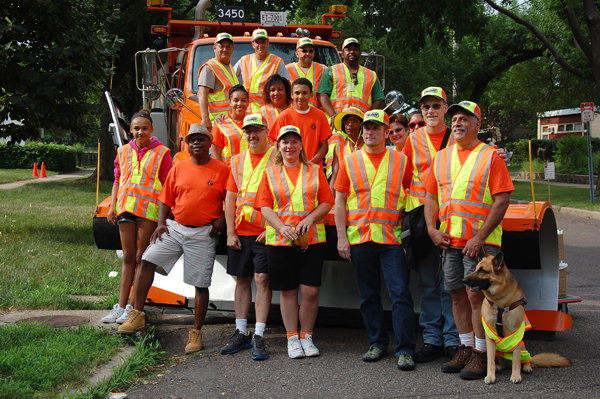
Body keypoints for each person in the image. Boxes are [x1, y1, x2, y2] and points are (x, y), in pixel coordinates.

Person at [118, 124, 229, 356]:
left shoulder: (222, 169)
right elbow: (166, 198)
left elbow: (231, 198)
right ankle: (136, 315)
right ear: (187, 145)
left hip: (203, 232)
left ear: (210, 143)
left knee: (201, 283)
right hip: (175, 227)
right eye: (191, 140)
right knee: (147, 260)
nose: (196, 143)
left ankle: (196, 332)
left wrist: (222, 219)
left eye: (201, 139)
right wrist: (160, 223)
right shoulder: (179, 168)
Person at [424, 101, 514, 379]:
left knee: (478, 299)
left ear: (477, 124)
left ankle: (481, 354)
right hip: (450, 241)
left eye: (465, 118)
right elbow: (430, 196)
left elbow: (502, 199)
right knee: (456, 296)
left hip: (481, 246)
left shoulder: (490, 157)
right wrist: (431, 229)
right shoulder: (441, 157)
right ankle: (465, 348)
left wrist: (480, 237)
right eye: (455, 119)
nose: (458, 123)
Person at [334, 110, 416, 371]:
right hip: (360, 238)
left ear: (385, 132)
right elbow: (340, 202)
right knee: (368, 296)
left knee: (400, 294)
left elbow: (409, 196)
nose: (369, 132)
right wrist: (341, 238)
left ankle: (405, 350)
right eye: (366, 128)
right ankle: (377, 343)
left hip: (391, 239)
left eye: (375, 128)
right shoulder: (350, 161)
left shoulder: (401, 160)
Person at [255, 125, 334, 359]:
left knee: (310, 290)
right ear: (278, 146)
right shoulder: (270, 172)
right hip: (280, 240)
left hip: (312, 238)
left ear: (301, 145)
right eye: (284, 142)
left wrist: (310, 218)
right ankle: (292, 337)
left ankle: (306, 336)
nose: (289, 146)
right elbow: (264, 205)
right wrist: (280, 227)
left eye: (294, 142)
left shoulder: (315, 170)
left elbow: (327, 202)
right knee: (288, 291)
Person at [402, 87, 460, 364]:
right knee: (428, 283)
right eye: (425, 107)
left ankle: (452, 339)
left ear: (445, 108)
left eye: (436, 106)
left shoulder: (458, 137)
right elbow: (406, 177)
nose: (430, 111)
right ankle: (432, 338)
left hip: (451, 215)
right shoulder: (412, 140)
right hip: (421, 219)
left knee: (451, 282)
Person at [102, 110, 172, 325]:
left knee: (142, 257)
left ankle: (132, 307)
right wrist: (112, 206)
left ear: (151, 130)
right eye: (136, 128)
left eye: (144, 128)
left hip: (149, 211)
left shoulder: (162, 152)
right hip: (125, 209)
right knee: (128, 257)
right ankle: (120, 306)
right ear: (130, 130)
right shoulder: (123, 151)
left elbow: (168, 184)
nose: (140, 132)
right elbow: (117, 180)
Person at [221, 114, 275, 360]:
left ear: (266, 131)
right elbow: (230, 198)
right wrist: (230, 231)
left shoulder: (277, 156)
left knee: (262, 279)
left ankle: (259, 335)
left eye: (256, 130)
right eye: (248, 132)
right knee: (241, 280)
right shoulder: (238, 160)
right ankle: (241, 332)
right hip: (241, 232)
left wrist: (272, 227)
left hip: (265, 232)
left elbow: (285, 192)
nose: (252, 136)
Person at [318, 37, 385, 121]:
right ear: (342, 53)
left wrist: (368, 119)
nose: (352, 52)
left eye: (355, 49)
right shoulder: (331, 71)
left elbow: (378, 99)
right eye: (348, 49)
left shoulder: (371, 75)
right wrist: (333, 116)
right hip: (336, 124)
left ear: (360, 53)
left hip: (361, 124)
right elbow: (322, 95)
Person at [269, 78, 332, 164]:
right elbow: (277, 144)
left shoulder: (320, 115)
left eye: (305, 93)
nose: (301, 97)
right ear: (291, 95)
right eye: (297, 93)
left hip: (313, 169)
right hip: (290, 169)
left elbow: (324, 147)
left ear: (311, 94)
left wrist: (309, 164)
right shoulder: (284, 116)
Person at [235, 29, 289, 113]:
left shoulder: (277, 62)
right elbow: (230, 78)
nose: (260, 45)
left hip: (268, 110)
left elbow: (286, 88)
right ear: (253, 44)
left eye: (263, 42)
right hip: (246, 110)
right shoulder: (244, 60)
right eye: (257, 42)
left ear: (268, 43)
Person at [198, 33, 239, 131]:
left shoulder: (229, 68)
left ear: (232, 49)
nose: (225, 49)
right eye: (221, 46)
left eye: (228, 47)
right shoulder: (209, 68)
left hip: (230, 123)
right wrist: (205, 119)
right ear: (214, 48)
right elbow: (201, 94)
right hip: (217, 124)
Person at [211, 85, 249, 166]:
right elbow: (215, 156)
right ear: (230, 103)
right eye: (236, 100)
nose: (240, 104)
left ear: (248, 103)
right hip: (229, 173)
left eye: (243, 100)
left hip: (251, 174)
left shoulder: (253, 122)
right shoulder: (220, 125)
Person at [328, 107, 365, 192]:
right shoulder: (339, 147)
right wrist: (331, 202)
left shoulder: (369, 145)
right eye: (347, 121)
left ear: (361, 125)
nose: (350, 125)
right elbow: (335, 175)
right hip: (345, 196)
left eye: (355, 121)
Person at [285, 38, 327, 108]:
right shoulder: (286, 69)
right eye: (304, 51)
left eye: (310, 51)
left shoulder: (323, 69)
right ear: (297, 54)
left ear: (314, 53)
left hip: (315, 113)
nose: (308, 54)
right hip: (294, 112)